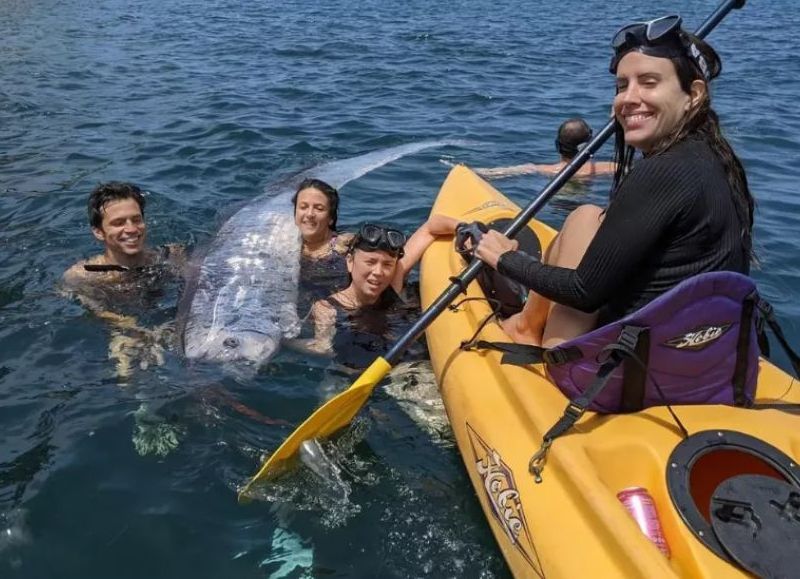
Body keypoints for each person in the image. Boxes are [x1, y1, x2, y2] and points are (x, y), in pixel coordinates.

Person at [474, 15, 753, 350]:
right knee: (586, 216)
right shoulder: (715, 159)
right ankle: (526, 324)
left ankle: (528, 330)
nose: (627, 98)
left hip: (633, 368)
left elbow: (583, 292)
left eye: (648, 83)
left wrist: (505, 259)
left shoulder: (663, 171)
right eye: (622, 86)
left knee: (583, 218)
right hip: (702, 355)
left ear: (693, 94)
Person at [288, 215, 459, 368]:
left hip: (407, 367)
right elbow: (322, 347)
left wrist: (463, 229)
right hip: (354, 374)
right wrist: (286, 343)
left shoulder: (393, 282)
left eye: (387, 264)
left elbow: (430, 227)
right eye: (370, 262)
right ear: (350, 262)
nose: (378, 272)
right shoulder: (327, 307)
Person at [62, 181, 186, 376]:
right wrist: (131, 328)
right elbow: (96, 310)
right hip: (124, 327)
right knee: (126, 372)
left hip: (168, 320)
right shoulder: (83, 275)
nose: (131, 229)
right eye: (118, 223)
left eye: (136, 220)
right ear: (98, 232)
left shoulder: (171, 256)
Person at [474, 118, 616, 179]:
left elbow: (492, 173)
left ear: (557, 145)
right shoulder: (610, 168)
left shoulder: (542, 170)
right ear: (591, 144)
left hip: (558, 207)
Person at [292, 178, 355, 308]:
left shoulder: (345, 245)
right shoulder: (286, 243)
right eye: (303, 207)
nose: (310, 214)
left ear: (331, 218)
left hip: (339, 310)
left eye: (319, 209)